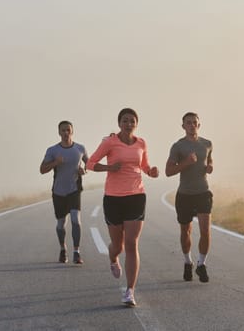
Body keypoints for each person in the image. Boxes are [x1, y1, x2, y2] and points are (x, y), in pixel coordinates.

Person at [86, 108, 159, 307]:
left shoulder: (141, 142)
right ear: (119, 123)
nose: (128, 124)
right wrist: (109, 167)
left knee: (132, 243)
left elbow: (144, 165)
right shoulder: (109, 142)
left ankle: (130, 291)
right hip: (113, 198)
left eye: (132, 121)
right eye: (125, 120)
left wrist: (151, 171)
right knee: (118, 245)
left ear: (136, 123)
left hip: (136, 196)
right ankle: (112, 258)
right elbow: (90, 164)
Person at [165, 112, 213, 283]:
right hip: (184, 194)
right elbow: (168, 171)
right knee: (186, 231)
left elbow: (209, 161)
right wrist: (186, 163)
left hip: (203, 192)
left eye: (195, 122)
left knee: (205, 231)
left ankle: (201, 264)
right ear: (183, 126)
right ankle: (187, 261)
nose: (192, 125)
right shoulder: (178, 147)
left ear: (199, 125)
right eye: (188, 123)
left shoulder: (207, 144)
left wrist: (210, 167)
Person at [40, 120, 88, 264]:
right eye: (63, 130)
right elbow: (42, 170)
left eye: (68, 130)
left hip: (74, 190)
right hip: (59, 192)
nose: (66, 133)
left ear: (72, 131)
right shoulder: (52, 150)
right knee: (61, 224)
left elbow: (89, 163)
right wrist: (55, 163)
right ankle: (63, 249)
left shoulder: (80, 148)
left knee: (76, 221)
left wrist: (84, 171)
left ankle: (76, 252)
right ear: (59, 132)